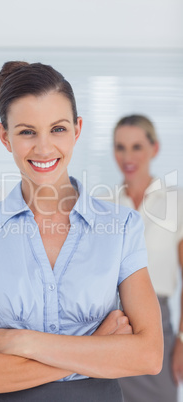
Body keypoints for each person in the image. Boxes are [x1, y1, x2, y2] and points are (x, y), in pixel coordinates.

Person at [0, 62, 163, 402]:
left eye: (58, 129)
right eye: (27, 132)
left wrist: (25, 342)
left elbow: (148, 356)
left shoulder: (121, 227)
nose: (45, 148)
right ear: (5, 137)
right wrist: (97, 348)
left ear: (77, 129)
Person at [112, 114, 183, 402]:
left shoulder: (176, 202)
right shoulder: (103, 203)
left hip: (157, 324)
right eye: (120, 147)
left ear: (154, 148)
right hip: (110, 324)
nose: (127, 157)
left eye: (137, 147)